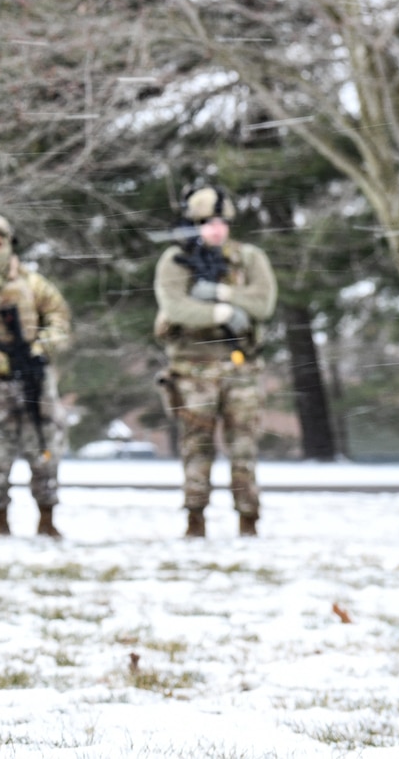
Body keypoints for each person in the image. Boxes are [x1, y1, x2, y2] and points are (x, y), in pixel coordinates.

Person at [154, 185, 277, 538]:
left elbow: (262, 304)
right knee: (197, 447)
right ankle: (195, 519)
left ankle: (248, 519)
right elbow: (175, 308)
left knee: (243, 448)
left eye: (221, 221)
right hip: (192, 369)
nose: (216, 228)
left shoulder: (248, 258)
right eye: (207, 221)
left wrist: (224, 295)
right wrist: (218, 313)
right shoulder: (176, 261)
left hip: (240, 368)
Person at [0, 210, 72, 538]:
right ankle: (0, 522)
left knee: (44, 448)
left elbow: (59, 319)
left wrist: (42, 348)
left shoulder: (33, 283)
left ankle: (47, 518)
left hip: (33, 380)